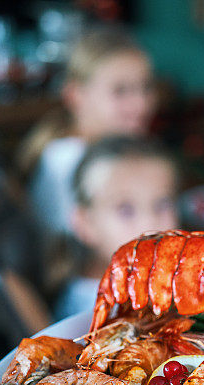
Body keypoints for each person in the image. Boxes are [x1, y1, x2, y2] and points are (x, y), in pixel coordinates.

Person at [19, 27, 157, 237]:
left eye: (146, 88)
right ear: (75, 95)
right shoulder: (67, 161)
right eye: (120, 90)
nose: (141, 104)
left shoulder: (103, 153)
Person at [53, 136, 179, 320]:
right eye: (126, 210)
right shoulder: (88, 311)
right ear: (84, 223)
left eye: (162, 204)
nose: (150, 226)